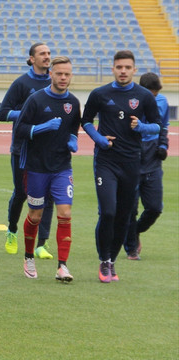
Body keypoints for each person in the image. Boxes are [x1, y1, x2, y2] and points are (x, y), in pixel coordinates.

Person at [82, 50, 160, 283]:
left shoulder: (144, 96)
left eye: (127, 67)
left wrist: (141, 128)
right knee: (107, 211)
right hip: (106, 161)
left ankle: (112, 261)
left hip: (131, 162)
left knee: (124, 216)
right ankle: (104, 259)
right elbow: (86, 121)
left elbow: (156, 125)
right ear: (113, 69)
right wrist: (99, 139)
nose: (123, 71)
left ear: (134, 70)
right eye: (119, 67)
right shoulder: (100, 94)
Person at [13, 56, 81, 281]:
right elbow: (20, 129)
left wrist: (73, 140)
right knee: (35, 215)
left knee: (65, 213)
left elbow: (73, 128)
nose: (63, 77)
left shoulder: (73, 102)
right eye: (59, 73)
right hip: (36, 167)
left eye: (67, 74)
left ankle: (63, 266)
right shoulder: (35, 100)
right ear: (50, 74)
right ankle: (28, 256)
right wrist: (42, 127)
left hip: (62, 167)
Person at [0, 42, 55, 259]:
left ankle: (42, 243)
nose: (47, 57)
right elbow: (3, 113)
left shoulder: (54, 81)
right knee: (22, 193)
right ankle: (12, 231)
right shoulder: (22, 83)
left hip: (49, 149)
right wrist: (26, 113)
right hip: (23, 149)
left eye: (49, 53)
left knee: (47, 196)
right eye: (42, 54)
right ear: (32, 58)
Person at [123, 72, 169, 260]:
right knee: (130, 209)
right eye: (151, 94)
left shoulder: (163, 101)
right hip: (132, 156)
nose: (154, 98)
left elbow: (164, 126)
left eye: (156, 95)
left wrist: (163, 145)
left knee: (155, 208)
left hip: (153, 159)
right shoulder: (129, 102)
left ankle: (135, 231)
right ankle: (131, 249)